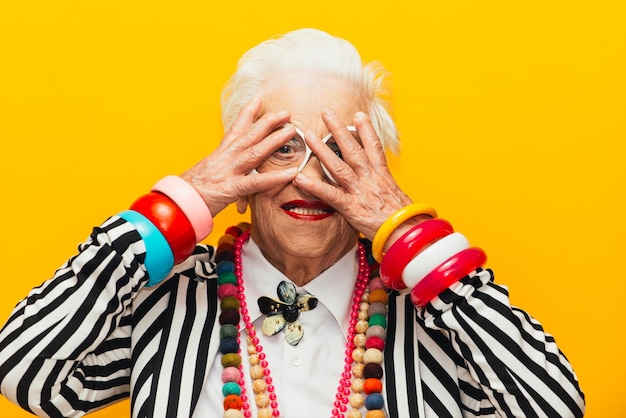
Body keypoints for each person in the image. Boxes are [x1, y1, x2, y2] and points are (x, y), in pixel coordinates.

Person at [0, 28, 584, 418]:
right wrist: (183, 202)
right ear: (238, 163)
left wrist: (410, 237)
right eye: (283, 148)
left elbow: (556, 407)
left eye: (340, 152)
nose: (309, 178)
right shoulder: (167, 300)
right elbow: (25, 370)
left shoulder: (437, 315)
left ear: (376, 172)